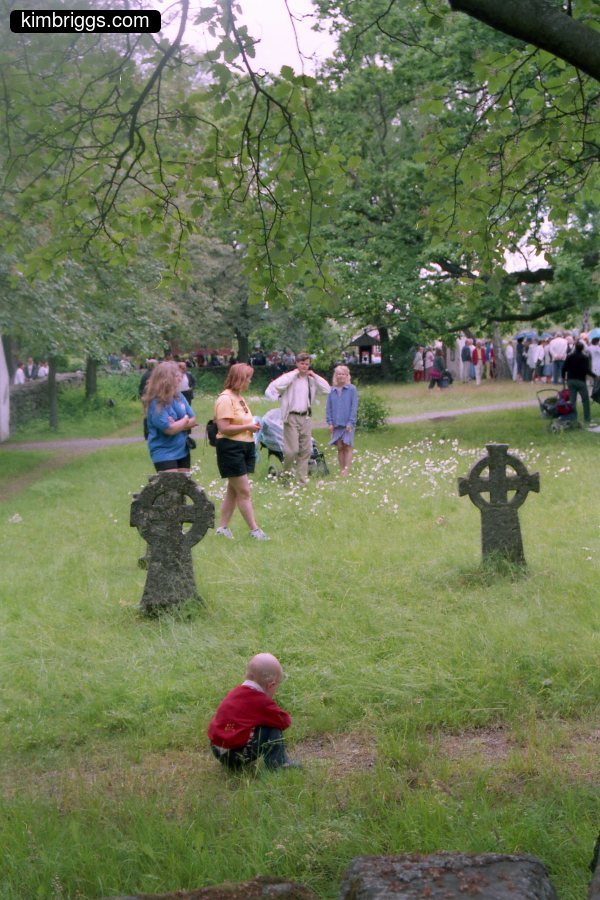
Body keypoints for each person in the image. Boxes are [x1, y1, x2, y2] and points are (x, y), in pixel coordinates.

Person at [207, 653, 299, 772]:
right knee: (273, 726)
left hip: (217, 750)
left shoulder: (235, 692)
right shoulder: (261, 702)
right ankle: (278, 763)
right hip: (236, 756)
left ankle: (233, 760)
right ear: (271, 685)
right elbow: (284, 720)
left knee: (259, 723)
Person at [214, 363, 268, 540]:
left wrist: (251, 428)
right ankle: (255, 530)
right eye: (247, 378)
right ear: (239, 378)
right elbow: (223, 427)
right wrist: (248, 426)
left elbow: (241, 422)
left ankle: (222, 528)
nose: (250, 381)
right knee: (244, 491)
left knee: (233, 490)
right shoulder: (225, 399)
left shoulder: (239, 397)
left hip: (244, 446)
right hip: (231, 449)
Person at [265, 352, 330, 486]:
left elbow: (326, 389)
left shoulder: (310, 380)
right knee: (292, 450)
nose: (304, 366)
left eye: (307, 364)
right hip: (291, 416)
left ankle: (302, 479)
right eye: (302, 363)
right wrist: (294, 373)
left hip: (305, 416)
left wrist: (315, 375)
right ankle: (286, 474)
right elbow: (277, 385)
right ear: (297, 363)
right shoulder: (290, 378)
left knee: (306, 450)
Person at [142, 360, 196, 472]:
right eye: (176, 376)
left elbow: (193, 419)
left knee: (184, 487)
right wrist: (185, 419)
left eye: (180, 375)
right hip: (164, 453)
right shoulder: (155, 403)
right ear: (166, 379)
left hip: (183, 449)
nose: (180, 378)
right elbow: (170, 429)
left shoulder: (179, 396)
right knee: (171, 487)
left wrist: (179, 423)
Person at [326, 365, 358, 476]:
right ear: (336, 376)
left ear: (347, 375)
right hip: (336, 423)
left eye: (343, 374)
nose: (341, 376)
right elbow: (328, 407)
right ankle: (342, 469)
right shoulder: (331, 390)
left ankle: (346, 470)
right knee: (340, 447)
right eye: (339, 374)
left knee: (347, 445)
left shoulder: (352, 389)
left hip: (348, 423)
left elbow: (354, 407)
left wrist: (351, 422)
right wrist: (329, 422)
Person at [562, 341, 594, 424]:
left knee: (572, 400)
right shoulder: (585, 358)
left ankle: (573, 418)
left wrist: (563, 378)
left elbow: (564, 368)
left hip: (571, 380)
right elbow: (586, 370)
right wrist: (595, 376)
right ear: (583, 348)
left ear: (575, 348)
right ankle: (587, 418)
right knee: (585, 400)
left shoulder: (569, 357)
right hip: (581, 381)